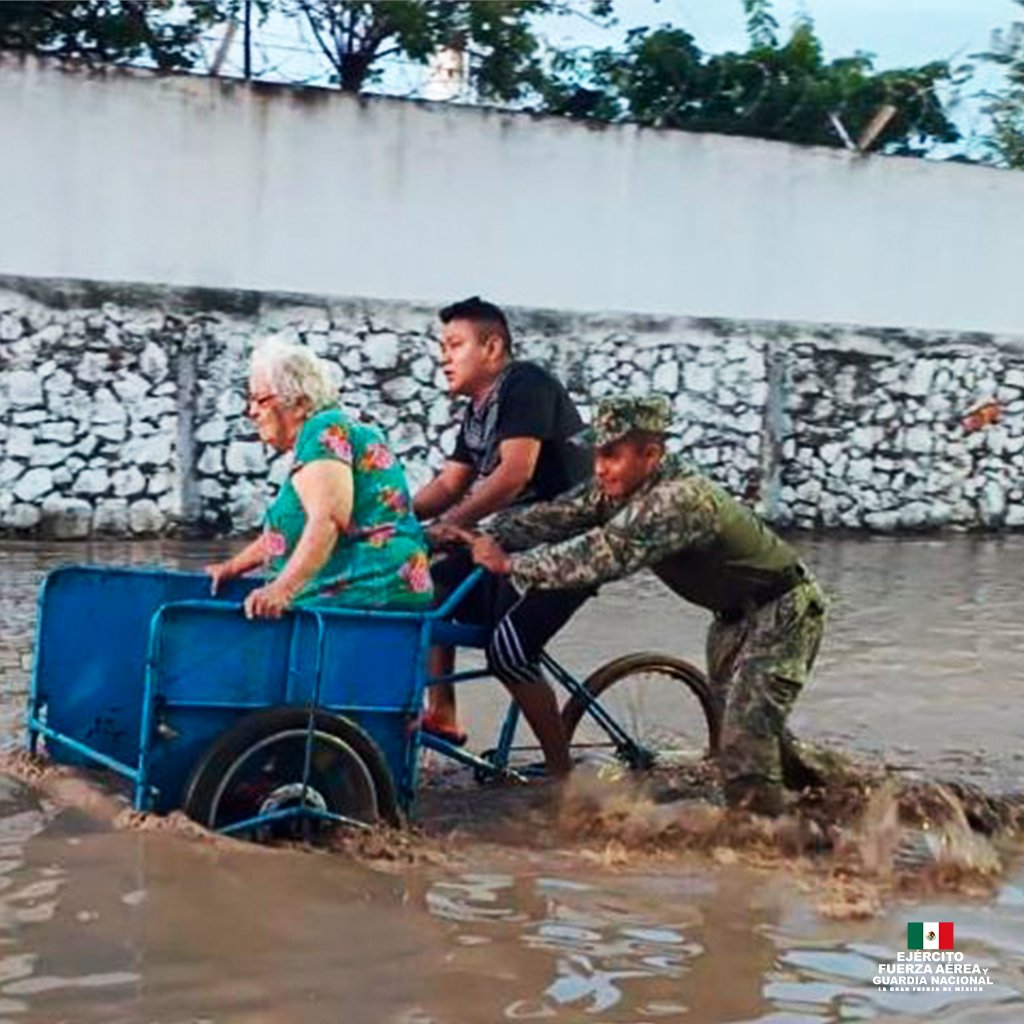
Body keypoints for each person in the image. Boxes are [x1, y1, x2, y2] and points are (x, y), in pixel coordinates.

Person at [469, 395, 827, 815]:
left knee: (745, 746)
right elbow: (557, 515)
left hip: (782, 610)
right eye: (597, 454)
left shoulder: (677, 500)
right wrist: (479, 531)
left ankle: (769, 849)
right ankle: (837, 791)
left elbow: (601, 553)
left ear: (651, 454)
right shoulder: (618, 489)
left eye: (612, 456)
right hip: (732, 621)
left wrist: (511, 562)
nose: (599, 467)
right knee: (761, 736)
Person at [413, 296, 591, 745]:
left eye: (454, 346)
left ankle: (562, 778)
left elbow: (514, 473)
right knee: (430, 591)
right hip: (511, 540)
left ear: (492, 349)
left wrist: (448, 525)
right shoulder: (477, 411)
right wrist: (385, 519)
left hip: (567, 546)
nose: (444, 358)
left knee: (507, 653)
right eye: (442, 348)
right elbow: (449, 485)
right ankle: (444, 714)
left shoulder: (525, 385)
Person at [206, 338, 433, 616]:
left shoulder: (323, 431)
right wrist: (230, 569)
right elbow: (280, 537)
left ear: (299, 403)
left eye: (261, 400)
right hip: (373, 585)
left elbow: (328, 519)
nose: (252, 411)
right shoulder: (325, 439)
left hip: (366, 587)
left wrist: (282, 590)